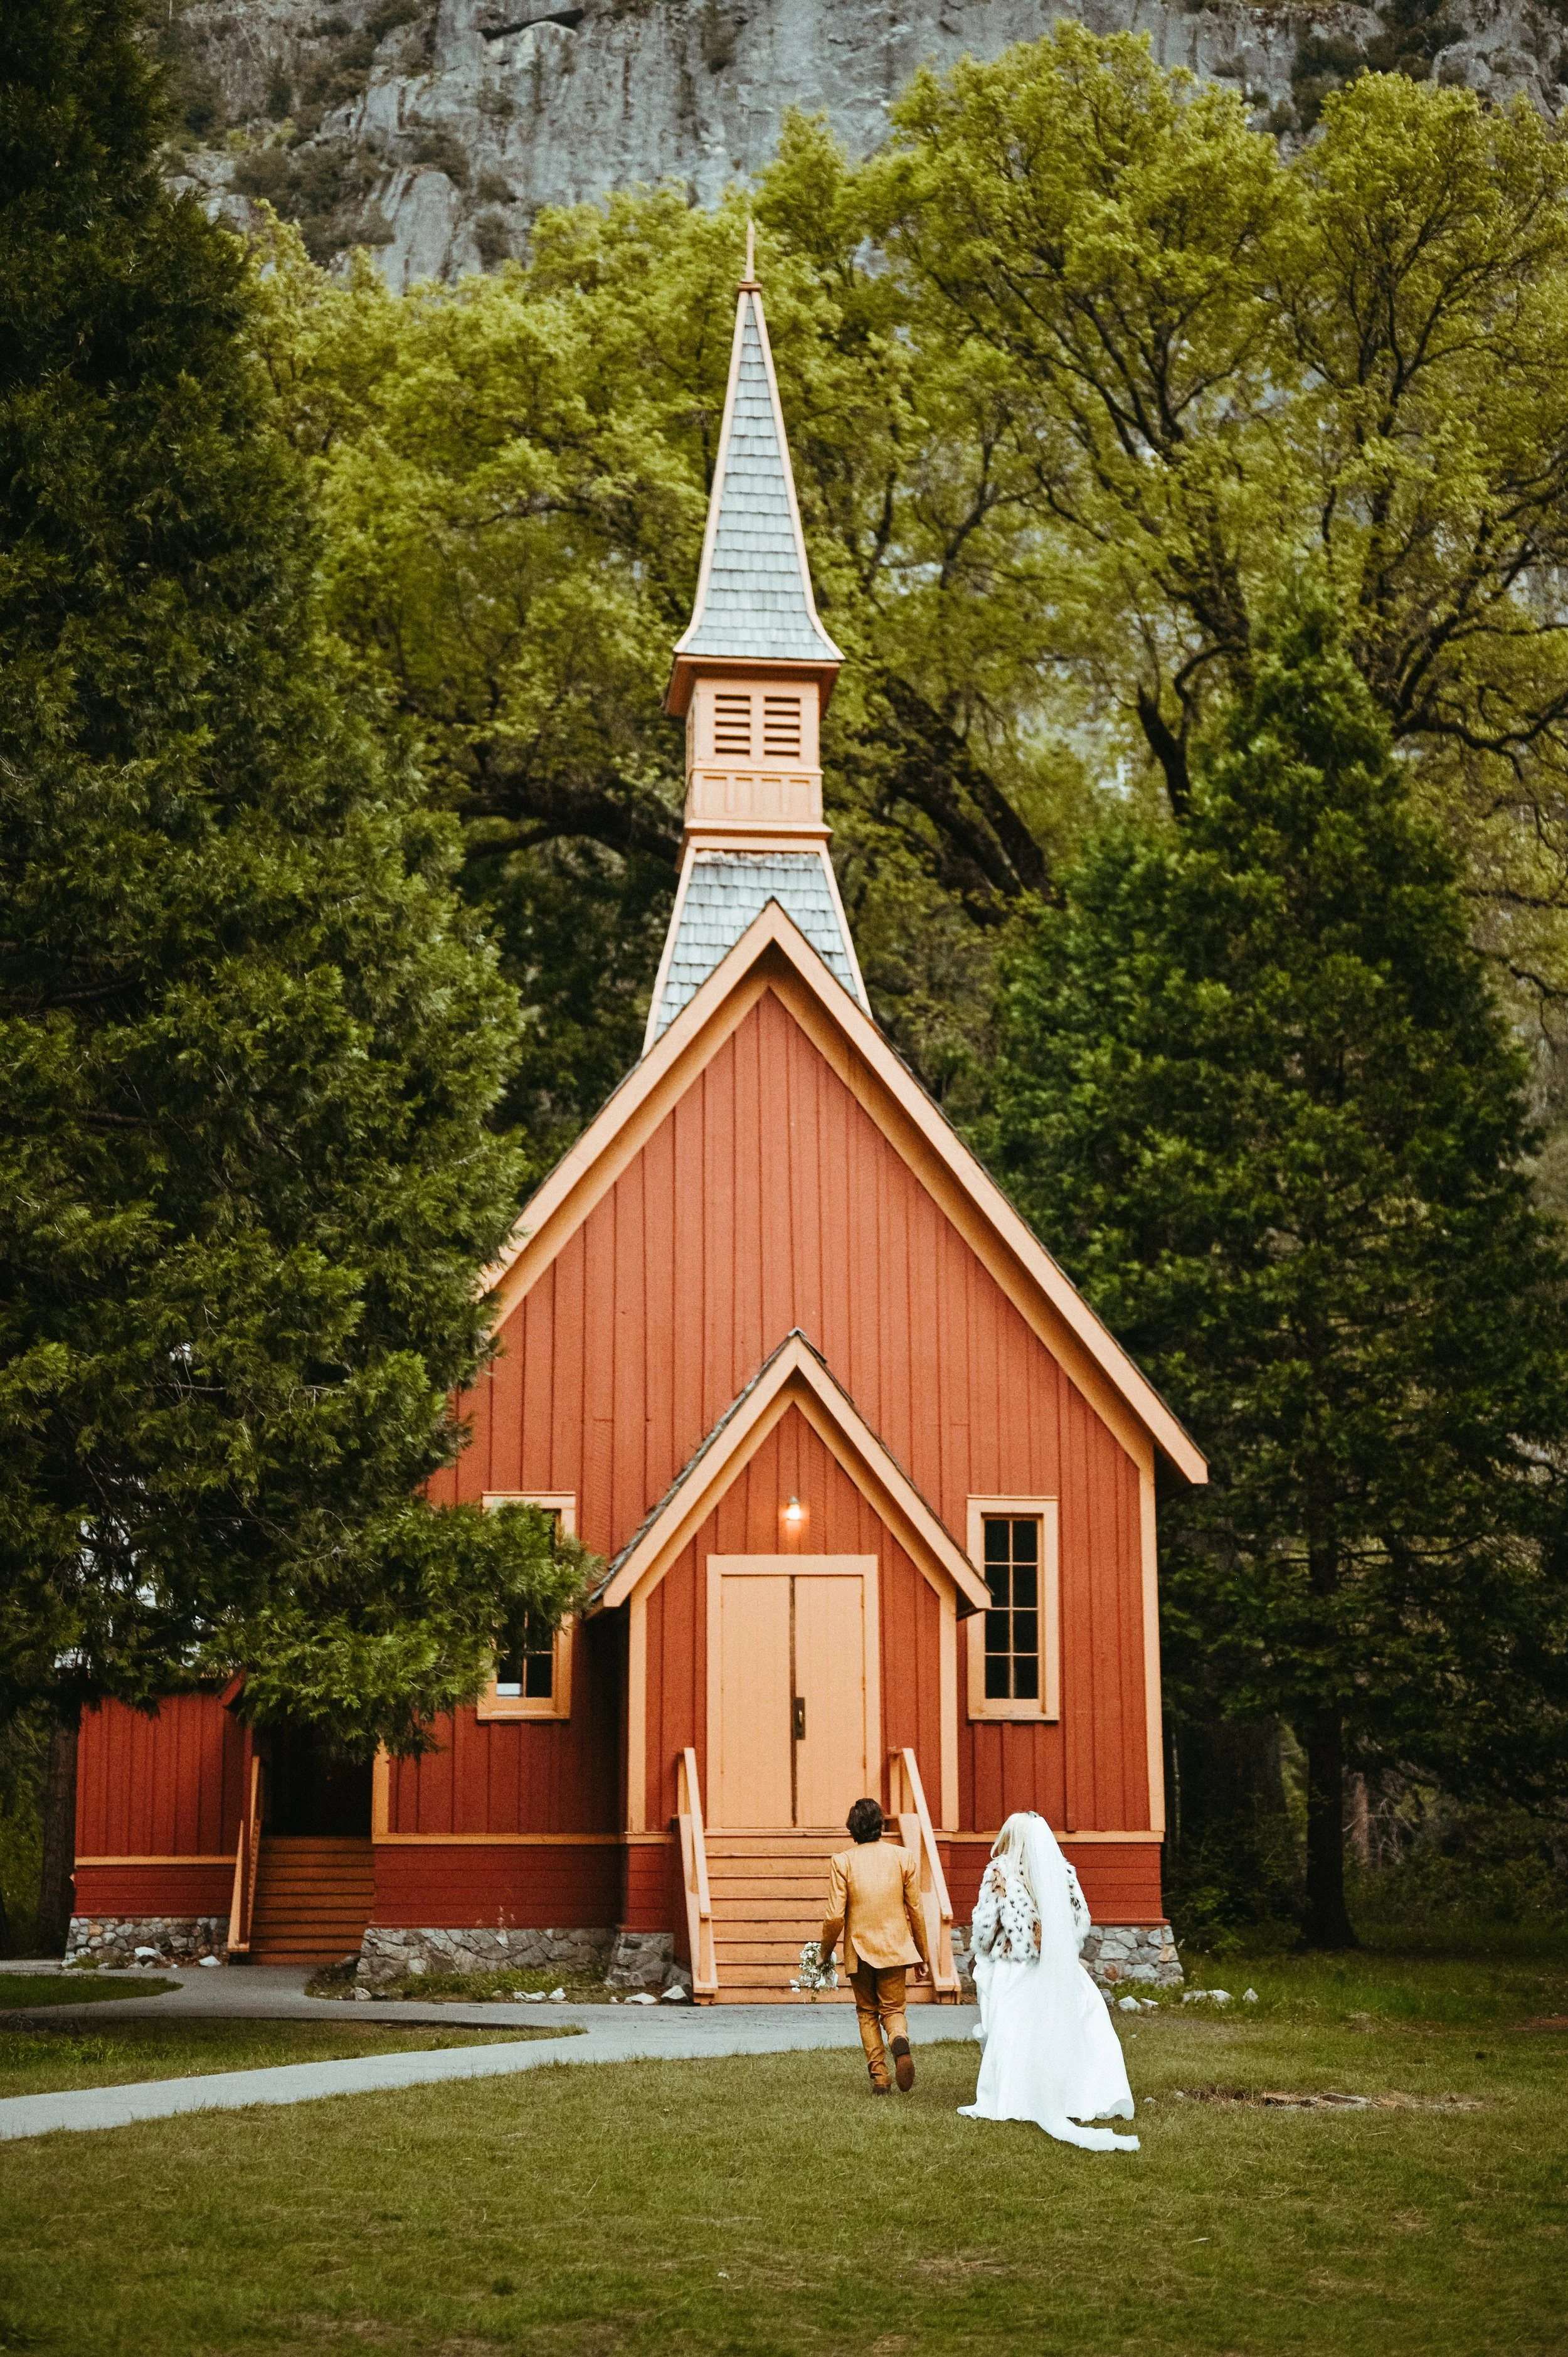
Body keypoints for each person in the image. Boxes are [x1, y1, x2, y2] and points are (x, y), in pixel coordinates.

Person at [958, 1811, 1140, 2152]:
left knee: (1014, 2032)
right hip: (1058, 1967)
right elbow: (1080, 1919)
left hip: (1015, 1964)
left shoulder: (1000, 1871)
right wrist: (1062, 1951)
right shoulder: (1064, 1872)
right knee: (1071, 2028)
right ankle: (1075, 2095)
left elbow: (985, 1922)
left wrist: (982, 1951)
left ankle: (1015, 2098)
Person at [818, 1796, 931, 2094]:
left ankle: (880, 2078)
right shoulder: (904, 1858)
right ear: (880, 1824)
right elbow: (916, 1911)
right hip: (896, 1947)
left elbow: (833, 1917)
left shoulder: (843, 1862)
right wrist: (923, 1955)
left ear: (852, 1828)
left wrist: (824, 1953)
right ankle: (898, 2039)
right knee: (893, 2010)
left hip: (860, 1950)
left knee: (867, 2011)